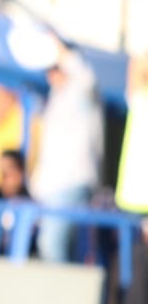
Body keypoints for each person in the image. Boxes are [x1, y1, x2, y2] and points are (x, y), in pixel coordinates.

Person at [30, 37, 103, 262]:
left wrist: (60, 49)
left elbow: (84, 76)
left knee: (51, 244)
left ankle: (57, 296)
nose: (51, 74)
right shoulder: (57, 97)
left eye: (55, 67)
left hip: (71, 182)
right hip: (54, 187)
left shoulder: (80, 90)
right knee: (60, 246)